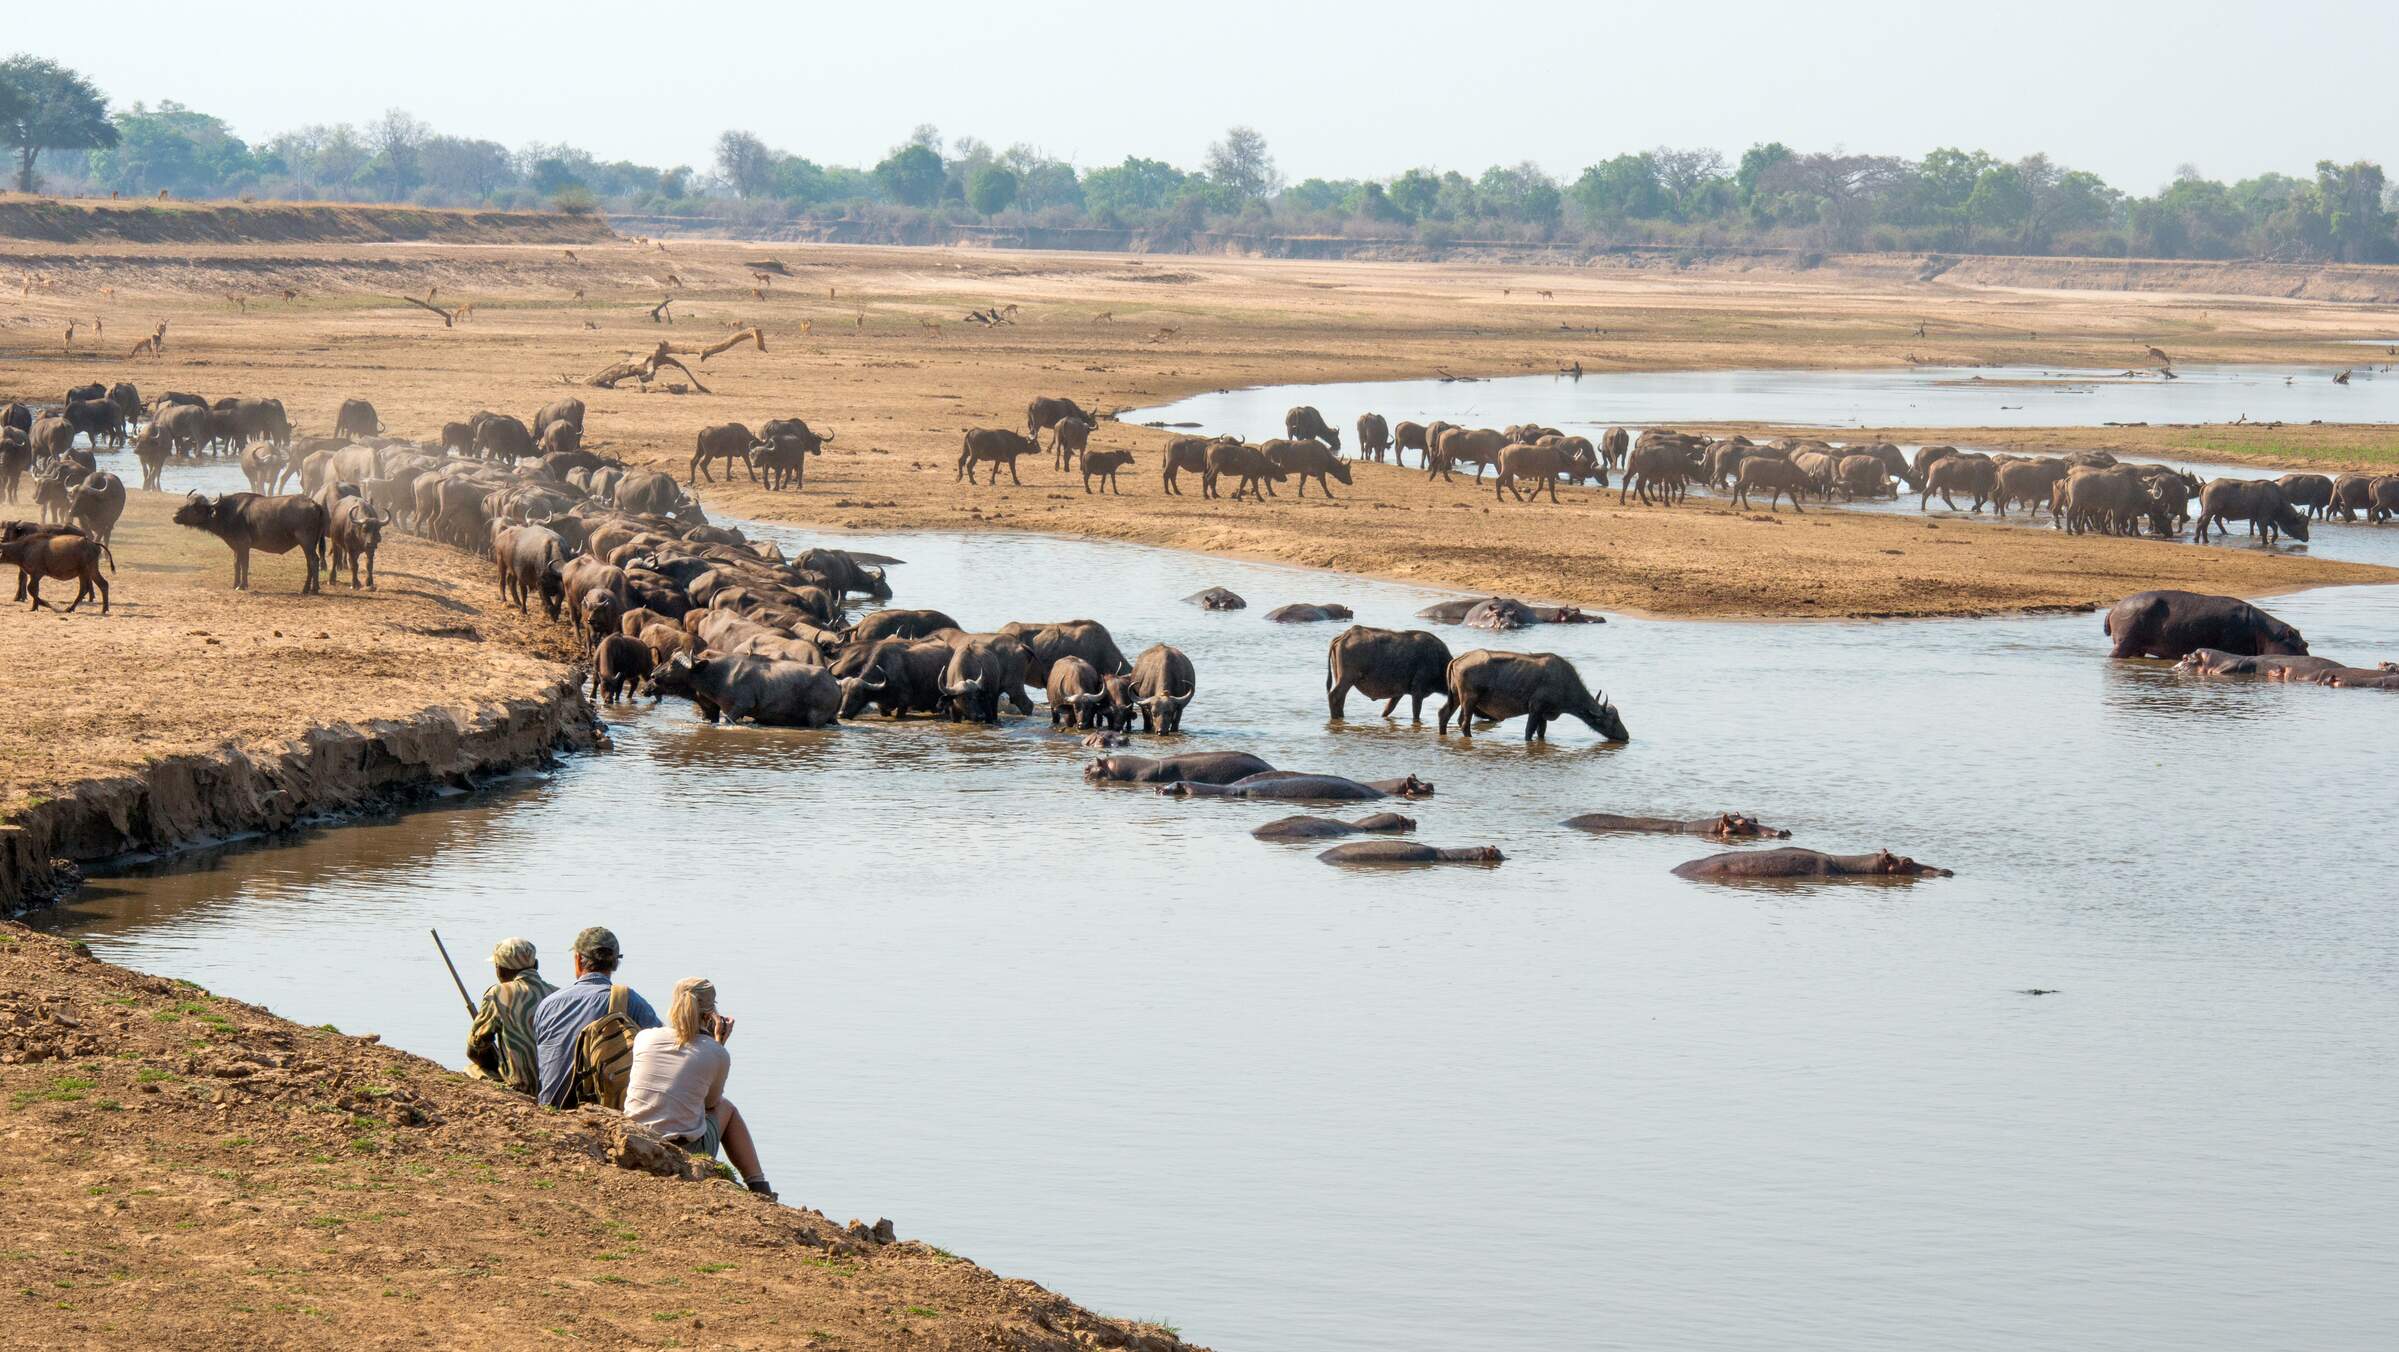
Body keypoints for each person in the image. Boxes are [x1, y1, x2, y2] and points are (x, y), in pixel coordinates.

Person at [625, 977, 774, 1199]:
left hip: (635, 1140)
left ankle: (759, 1185)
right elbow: (710, 1104)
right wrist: (718, 1044)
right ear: (709, 1014)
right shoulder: (715, 1053)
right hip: (682, 1151)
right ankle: (759, 1186)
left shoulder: (645, 1037)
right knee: (727, 1108)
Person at [532, 926, 660, 1108]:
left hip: (551, 1107)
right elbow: (661, 1051)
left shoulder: (548, 1004)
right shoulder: (630, 1001)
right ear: (615, 964)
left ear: (578, 959)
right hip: (603, 1112)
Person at [465, 936, 555, 1096]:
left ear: (500, 969)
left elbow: (475, 1050)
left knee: (471, 1070)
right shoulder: (557, 994)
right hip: (555, 1089)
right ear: (536, 965)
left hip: (521, 1089)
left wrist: (498, 1061)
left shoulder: (499, 994)